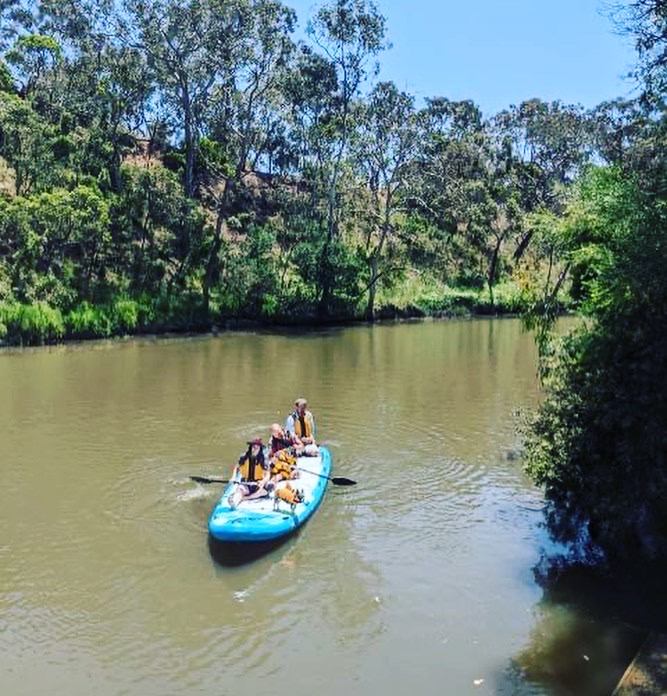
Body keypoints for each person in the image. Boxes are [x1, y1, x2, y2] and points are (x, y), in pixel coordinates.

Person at [227, 437, 270, 508]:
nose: (255, 449)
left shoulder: (263, 460)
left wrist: (263, 481)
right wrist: (233, 477)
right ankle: (235, 502)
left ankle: (245, 498)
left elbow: (268, 474)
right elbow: (236, 467)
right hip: (246, 483)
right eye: (253, 447)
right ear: (250, 447)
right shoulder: (244, 457)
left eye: (257, 447)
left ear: (260, 449)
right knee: (240, 491)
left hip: (257, 484)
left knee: (263, 492)